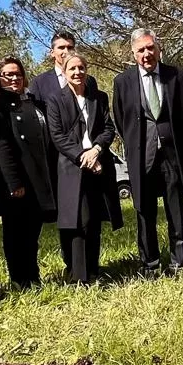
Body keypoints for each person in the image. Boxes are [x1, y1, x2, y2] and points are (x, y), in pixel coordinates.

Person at [112, 28, 183, 274]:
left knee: (175, 211)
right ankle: (150, 263)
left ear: (158, 48)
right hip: (142, 157)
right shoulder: (122, 82)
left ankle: (179, 262)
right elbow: (121, 120)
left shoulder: (176, 76)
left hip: (172, 156)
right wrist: (137, 144)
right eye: (141, 50)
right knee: (145, 213)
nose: (146, 54)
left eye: (150, 48)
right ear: (133, 53)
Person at [45, 53, 122, 283]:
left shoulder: (99, 97)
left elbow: (108, 128)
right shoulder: (55, 100)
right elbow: (57, 136)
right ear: (65, 72)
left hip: (98, 165)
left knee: (94, 220)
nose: (77, 72)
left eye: (81, 68)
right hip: (72, 167)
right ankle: (79, 276)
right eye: (72, 69)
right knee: (78, 221)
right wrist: (83, 156)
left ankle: (93, 271)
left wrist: (96, 150)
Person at [0, 57, 57, 290]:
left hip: (37, 177)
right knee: (15, 233)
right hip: (15, 180)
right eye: (8, 74)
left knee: (32, 233)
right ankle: (19, 279)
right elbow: (2, 146)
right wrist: (13, 181)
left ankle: (33, 276)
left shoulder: (32, 102)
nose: (14, 78)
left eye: (17, 74)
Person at [27, 30, 98, 105]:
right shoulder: (38, 83)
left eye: (70, 48)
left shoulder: (89, 81)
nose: (66, 51)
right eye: (61, 48)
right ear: (52, 53)